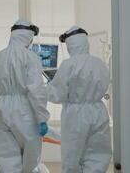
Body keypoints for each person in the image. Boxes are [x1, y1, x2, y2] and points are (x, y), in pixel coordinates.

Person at [47, 26, 112, 173]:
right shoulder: (100, 63)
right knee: (98, 154)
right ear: (85, 42)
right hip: (98, 111)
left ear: (70, 44)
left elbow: (56, 95)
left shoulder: (68, 65)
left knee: (72, 155)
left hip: (75, 114)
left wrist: (47, 88)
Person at [0, 19, 50, 173]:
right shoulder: (30, 57)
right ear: (28, 36)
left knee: (5, 154)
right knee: (30, 153)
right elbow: (36, 91)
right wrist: (42, 118)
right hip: (24, 108)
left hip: (1, 107)